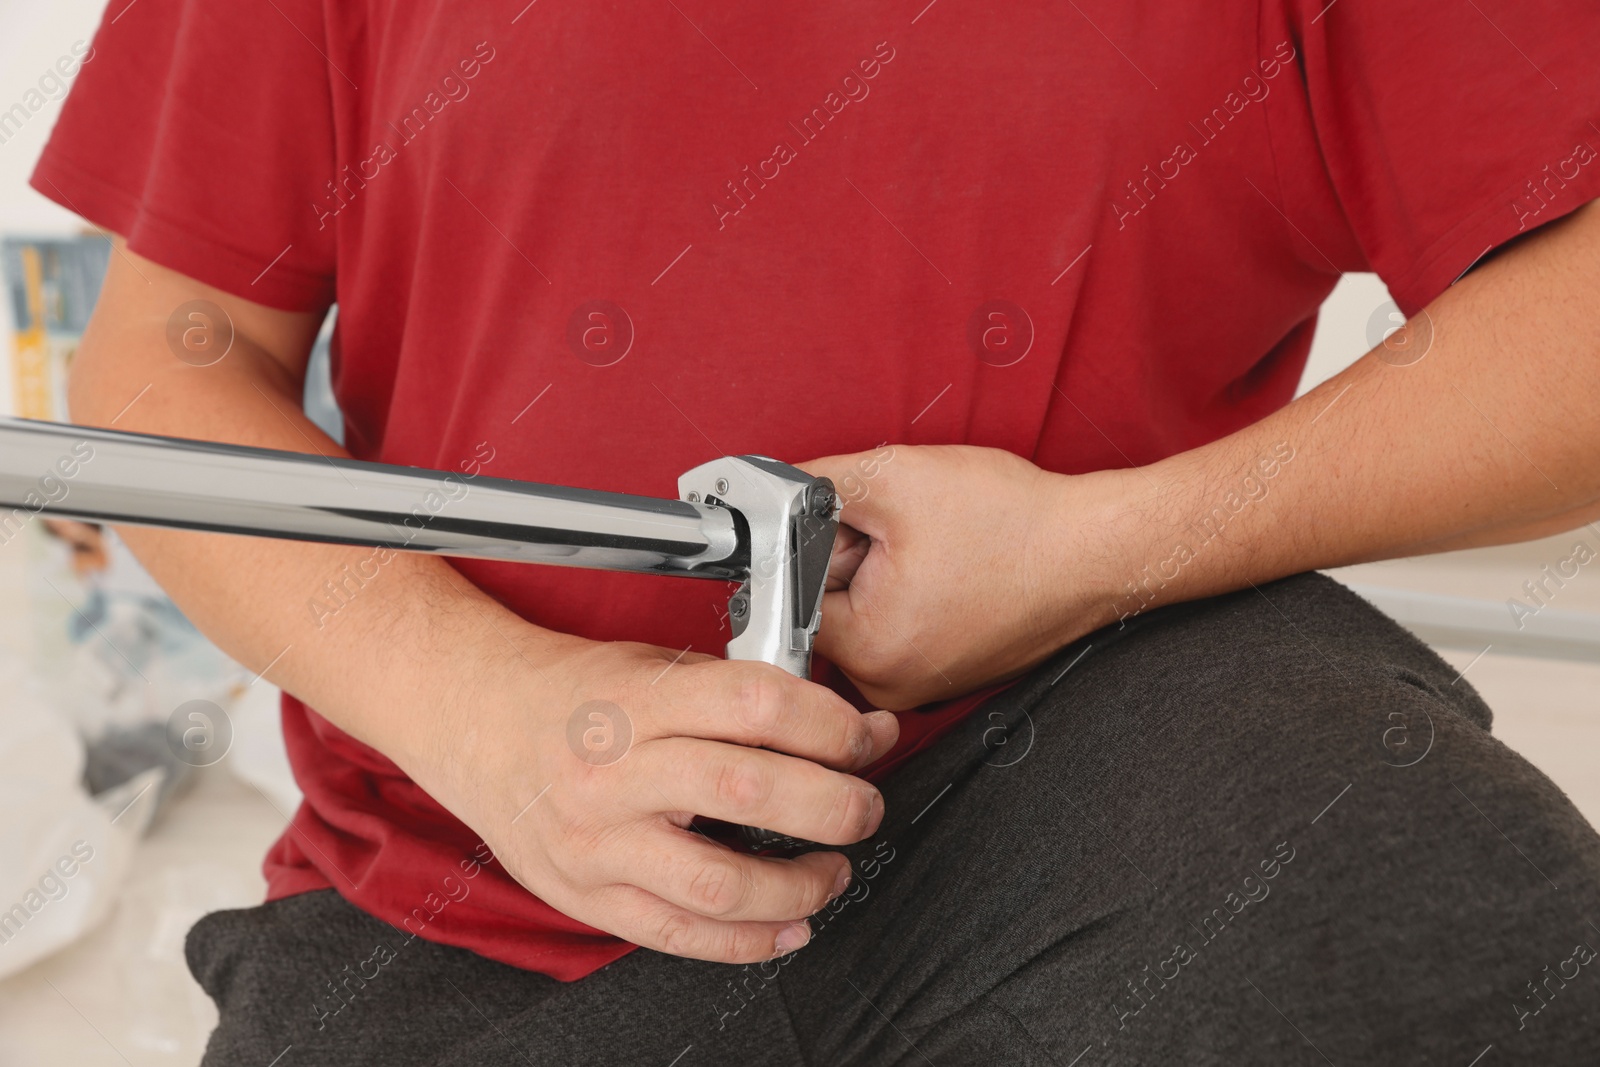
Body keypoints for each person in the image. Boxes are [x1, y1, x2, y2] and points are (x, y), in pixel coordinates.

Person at [35, 0, 1600, 1062]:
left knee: (1437, 913)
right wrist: (491, 715)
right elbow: (171, 369)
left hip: (1106, 751)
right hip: (475, 880)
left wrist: (1099, 550)